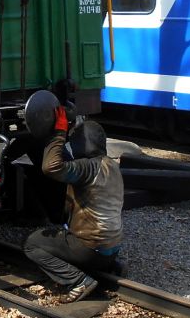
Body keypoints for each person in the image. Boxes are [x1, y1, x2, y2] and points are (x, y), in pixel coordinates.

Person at [23, 106, 141, 302]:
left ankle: (78, 281)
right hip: (112, 248)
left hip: (90, 249)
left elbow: (50, 167)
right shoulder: (111, 165)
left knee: (32, 244)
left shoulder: (87, 168)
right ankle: (111, 266)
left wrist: (59, 134)